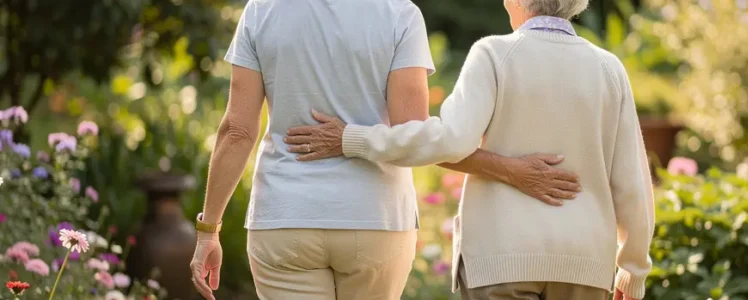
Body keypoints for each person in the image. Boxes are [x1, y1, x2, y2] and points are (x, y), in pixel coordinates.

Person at [188, 0, 581, 299]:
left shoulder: (262, 10)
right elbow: (416, 135)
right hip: (375, 221)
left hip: (284, 219)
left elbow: (236, 132)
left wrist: (209, 231)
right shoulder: (399, 13)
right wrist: (511, 170)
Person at [283, 0, 656, 299]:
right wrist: (633, 270)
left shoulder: (493, 54)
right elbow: (632, 182)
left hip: (502, 261)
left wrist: (353, 138)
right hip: (585, 266)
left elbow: (447, 142)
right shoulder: (609, 69)